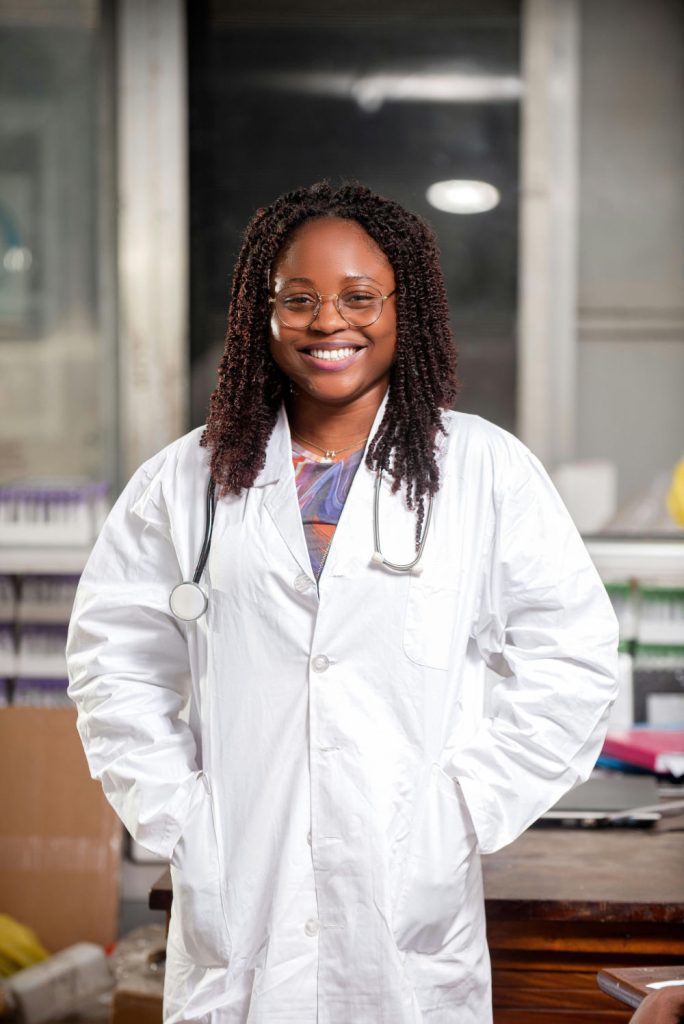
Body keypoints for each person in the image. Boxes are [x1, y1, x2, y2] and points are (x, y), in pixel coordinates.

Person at [66, 181, 619, 1024]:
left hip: (406, 892)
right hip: (240, 882)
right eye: (299, 299)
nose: (329, 323)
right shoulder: (185, 480)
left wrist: (463, 809)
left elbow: (572, 661)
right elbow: (114, 661)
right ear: (262, 312)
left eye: (359, 297)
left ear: (405, 309)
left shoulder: (484, 470)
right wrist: (179, 816)